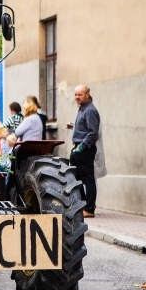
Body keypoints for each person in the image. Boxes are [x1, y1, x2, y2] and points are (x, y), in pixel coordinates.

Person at [66, 84, 100, 218]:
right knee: (74, 177)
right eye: (75, 95)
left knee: (87, 179)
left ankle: (90, 209)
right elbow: (85, 128)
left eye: (79, 94)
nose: (77, 97)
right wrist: (74, 128)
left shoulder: (90, 110)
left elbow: (93, 133)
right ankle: (83, 204)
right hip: (78, 148)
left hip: (84, 149)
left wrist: (82, 146)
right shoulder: (82, 109)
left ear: (87, 95)